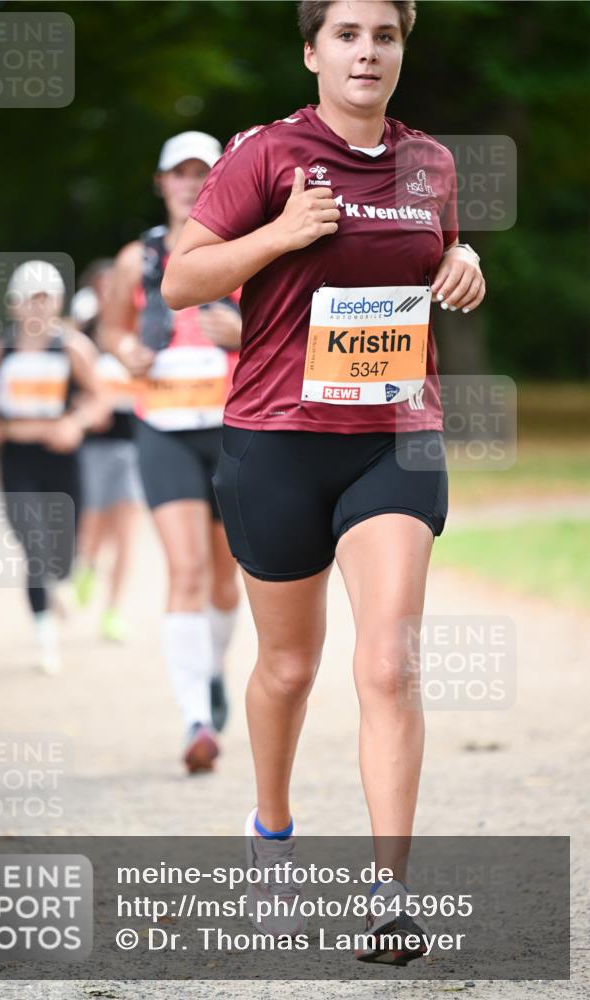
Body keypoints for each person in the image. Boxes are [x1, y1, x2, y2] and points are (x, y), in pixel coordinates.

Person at [162, 0, 486, 960]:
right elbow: (184, 280)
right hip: (276, 441)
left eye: (383, 35)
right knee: (289, 668)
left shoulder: (431, 164)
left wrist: (462, 259)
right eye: (346, 35)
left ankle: (389, 897)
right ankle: (270, 831)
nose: (366, 52)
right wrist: (281, 234)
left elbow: (438, 252)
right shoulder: (264, 156)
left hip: (396, 436)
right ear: (312, 52)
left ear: (400, 50)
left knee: (387, 664)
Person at [105, 132, 243, 774]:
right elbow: (110, 327)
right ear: (161, 182)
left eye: (202, 173)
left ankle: (210, 672)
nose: (190, 183)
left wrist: (244, 332)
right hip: (161, 426)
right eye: (179, 174)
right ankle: (195, 718)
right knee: (185, 570)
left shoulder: (246, 249)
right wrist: (123, 349)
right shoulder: (137, 260)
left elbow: (290, 328)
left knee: (225, 578)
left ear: (219, 180)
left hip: (233, 427)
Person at [0, 261, 103, 674]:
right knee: (34, 546)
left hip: (62, 460)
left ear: (56, 303)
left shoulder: (72, 348)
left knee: (61, 557)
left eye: (44, 299)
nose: (37, 309)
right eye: (29, 300)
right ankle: (45, 638)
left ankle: (59, 584)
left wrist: (75, 422)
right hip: (18, 460)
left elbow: (99, 401)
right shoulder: (0, 351)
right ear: (15, 306)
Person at [71, 259, 145, 642]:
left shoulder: (143, 330)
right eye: (101, 287)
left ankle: (113, 612)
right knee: (94, 525)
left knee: (127, 533)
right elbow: (66, 389)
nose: (108, 293)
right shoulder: (80, 339)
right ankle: (84, 568)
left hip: (136, 443)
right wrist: (85, 408)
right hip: (96, 446)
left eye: (113, 286)